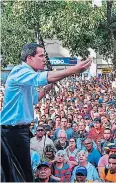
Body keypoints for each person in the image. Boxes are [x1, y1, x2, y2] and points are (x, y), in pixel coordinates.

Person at [1, 43, 92, 182]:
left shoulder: (27, 77)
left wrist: (47, 88)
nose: (44, 59)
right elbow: (42, 78)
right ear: (29, 58)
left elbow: (34, 98)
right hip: (11, 132)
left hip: (20, 131)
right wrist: (73, 70)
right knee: (18, 175)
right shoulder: (20, 71)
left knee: (21, 175)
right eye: (41, 56)